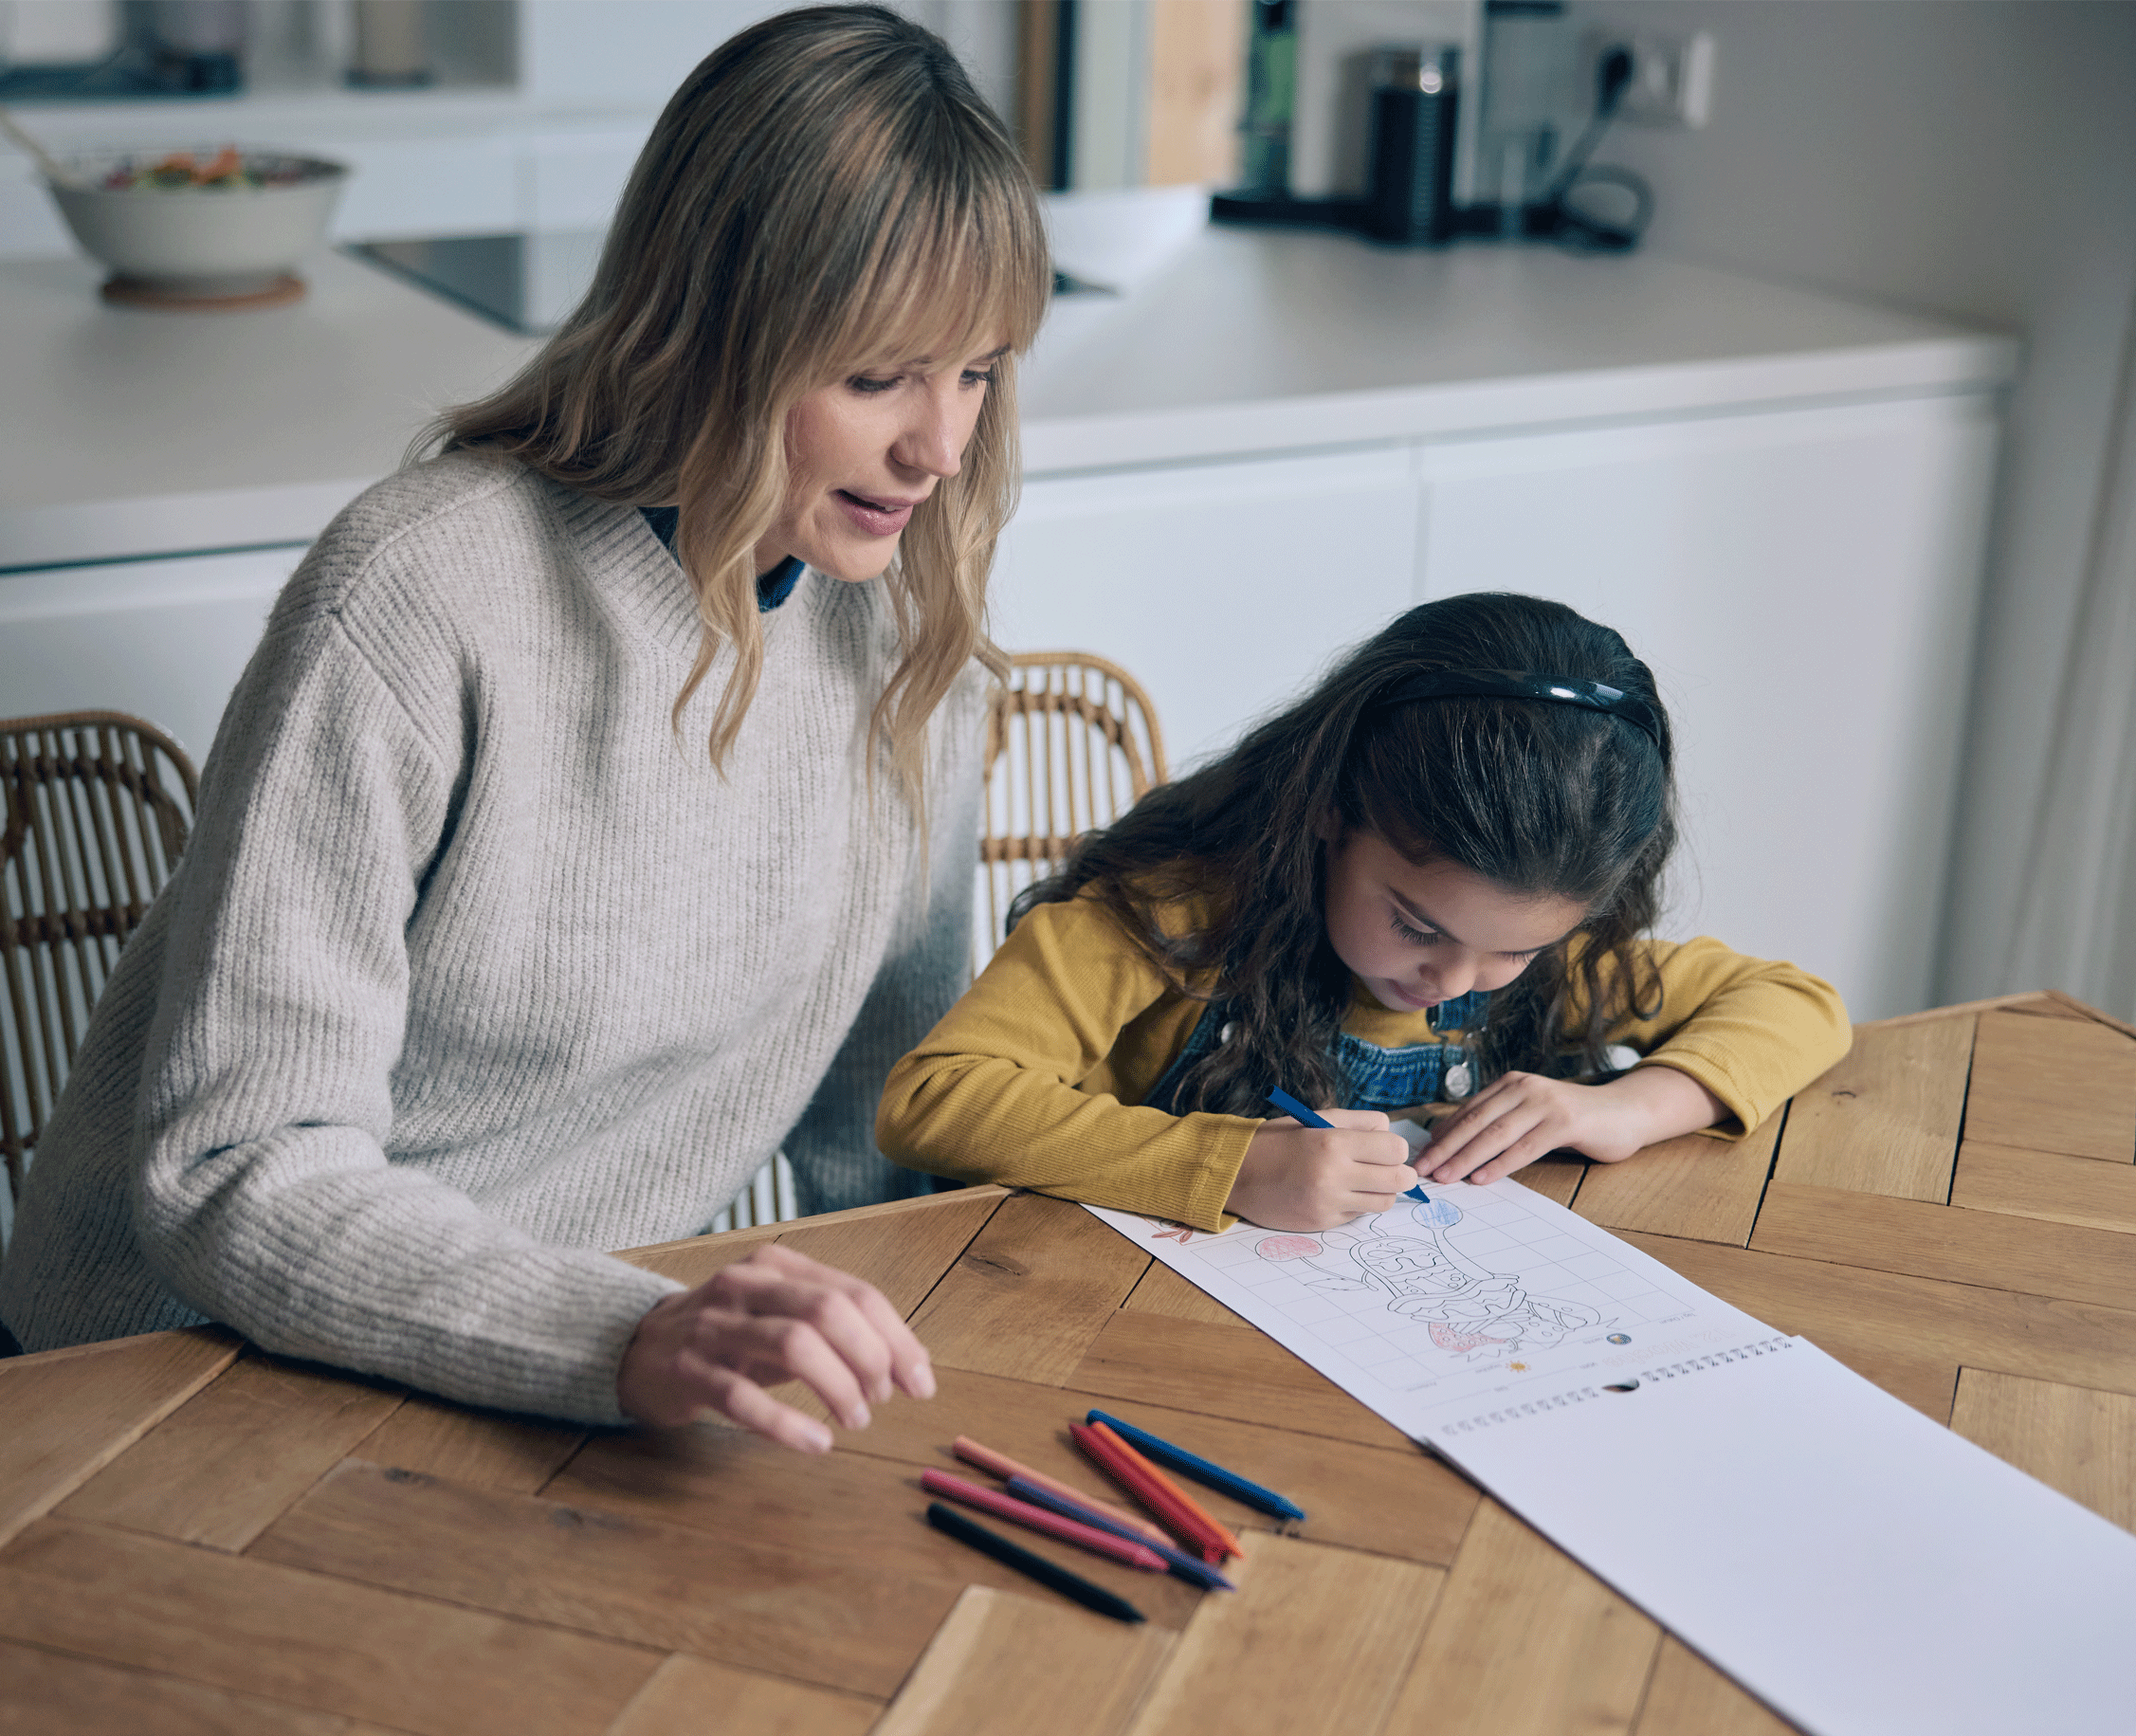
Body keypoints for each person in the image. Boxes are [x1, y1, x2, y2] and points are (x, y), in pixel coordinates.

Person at [0, 5, 1050, 1452]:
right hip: (159, 1392)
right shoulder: (422, 591)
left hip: (553, 1395)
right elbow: (238, 1164)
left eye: (978, 369)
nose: (940, 446)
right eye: (877, 375)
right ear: (716, 333)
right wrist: (619, 1331)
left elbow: (888, 1125)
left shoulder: (905, 633)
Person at [878, 593, 1852, 1232]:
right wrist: (1230, 1166)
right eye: (1418, 926)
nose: (1454, 979)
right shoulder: (1168, 915)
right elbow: (934, 1098)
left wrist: (1623, 1109)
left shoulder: (1546, 952)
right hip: (1124, 1325)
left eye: (1514, 951)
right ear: (1329, 810)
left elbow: (1798, 1004)